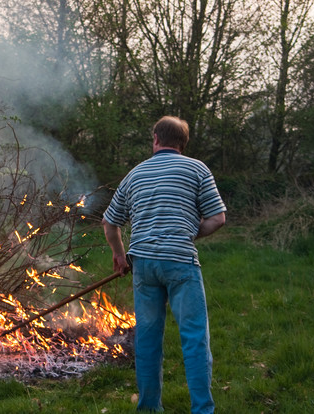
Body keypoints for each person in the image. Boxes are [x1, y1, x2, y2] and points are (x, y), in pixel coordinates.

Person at [101, 116, 226, 413]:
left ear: (156, 138)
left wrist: (120, 255)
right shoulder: (197, 169)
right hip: (180, 262)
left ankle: (148, 408)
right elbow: (217, 218)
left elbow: (109, 222)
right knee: (194, 338)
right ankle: (202, 410)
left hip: (143, 263)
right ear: (182, 143)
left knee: (147, 339)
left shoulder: (135, 174)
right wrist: (189, 233)